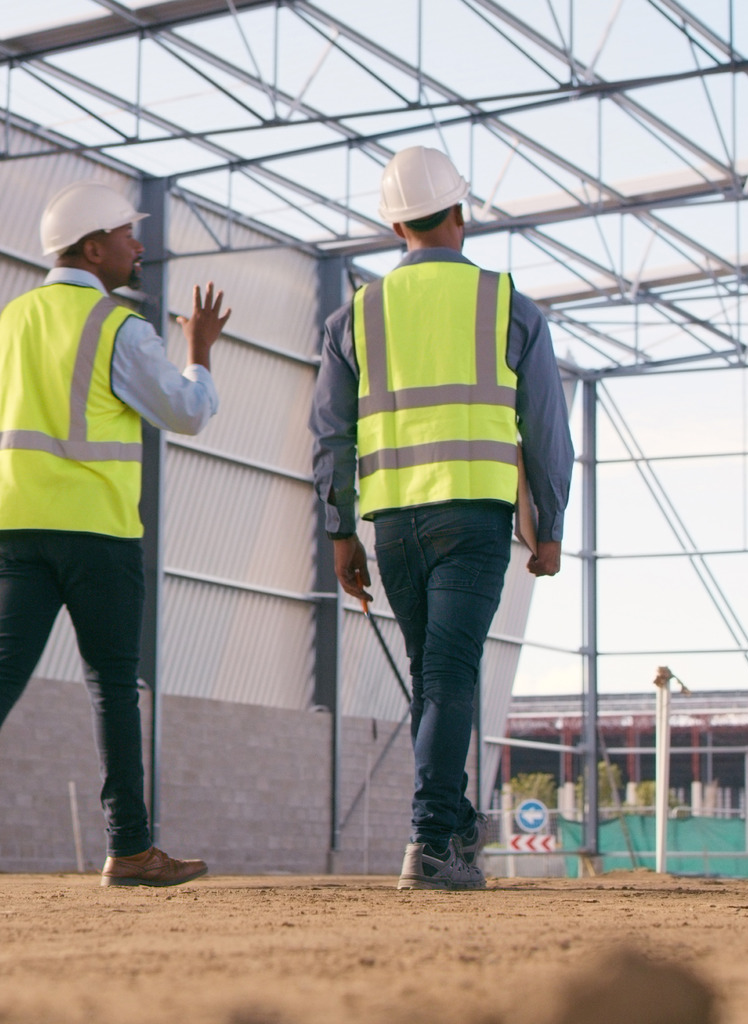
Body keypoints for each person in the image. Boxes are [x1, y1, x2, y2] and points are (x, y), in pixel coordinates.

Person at [0, 181, 229, 888]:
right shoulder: (116, 326)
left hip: (11, 526)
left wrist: (2, 507)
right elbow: (186, 412)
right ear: (93, 248)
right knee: (114, 686)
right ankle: (130, 847)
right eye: (126, 235)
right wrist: (200, 349)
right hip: (96, 533)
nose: (137, 246)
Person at [309, 147, 572, 891]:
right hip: (472, 515)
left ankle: (454, 830)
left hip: (394, 524)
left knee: (434, 676)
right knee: (451, 674)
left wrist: (339, 532)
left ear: (394, 223)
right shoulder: (507, 304)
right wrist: (549, 526)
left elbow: (330, 433)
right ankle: (430, 840)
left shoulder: (353, 316)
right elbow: (547, 427)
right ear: (461, 213)